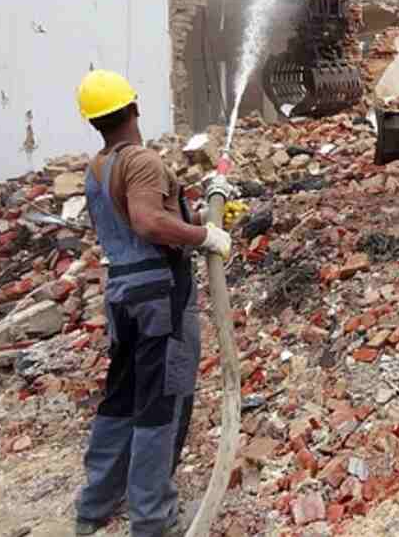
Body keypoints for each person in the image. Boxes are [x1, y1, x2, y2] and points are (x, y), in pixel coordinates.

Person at [73, 70, 231, 537]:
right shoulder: (141, 160)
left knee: (120, 399)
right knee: (161, 404)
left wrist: (196, 217)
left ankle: (95, 506)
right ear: (134, 108)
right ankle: (152, 518)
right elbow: (146, 222)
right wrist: (204, 236)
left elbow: (136, 221)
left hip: (121, 294)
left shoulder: (97, 168)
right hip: (159, 295)